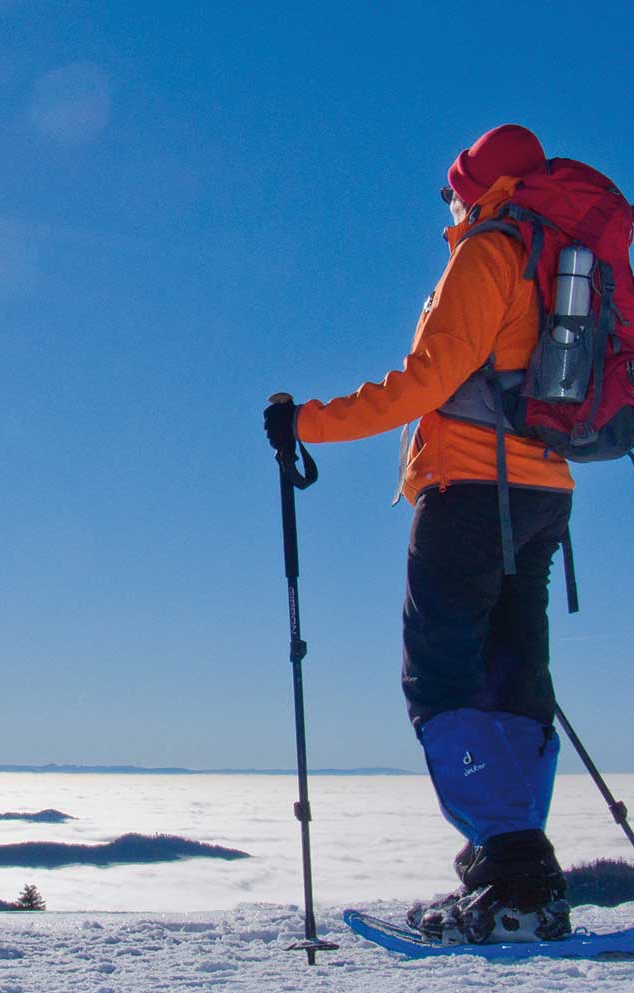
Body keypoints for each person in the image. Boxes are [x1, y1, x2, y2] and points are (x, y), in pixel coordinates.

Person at [264, 124, 584, 945]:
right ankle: (518, 873)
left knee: (441, 679)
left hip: (473, 493)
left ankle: (508, 870)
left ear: (477, 186)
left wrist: (308, 422)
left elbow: (428, 380)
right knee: (516, 676)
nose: (450, 205)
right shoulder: (568, 258)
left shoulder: (491, 250)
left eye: (454, 190)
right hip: (545, 495)